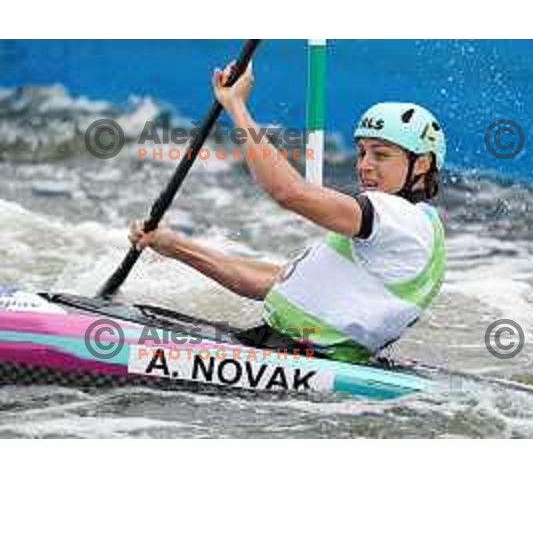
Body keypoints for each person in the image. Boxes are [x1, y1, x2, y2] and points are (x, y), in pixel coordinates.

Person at [129, 62, 446, 364]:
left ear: (421, 164)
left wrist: (236, 106)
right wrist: (175, 246)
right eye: (362, 152)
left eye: (381, 155)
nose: (364, 165)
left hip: (304, 366)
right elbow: (274, 282)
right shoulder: (402, 229)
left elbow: (289, 192)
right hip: (283, 351)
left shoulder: (402, 219)